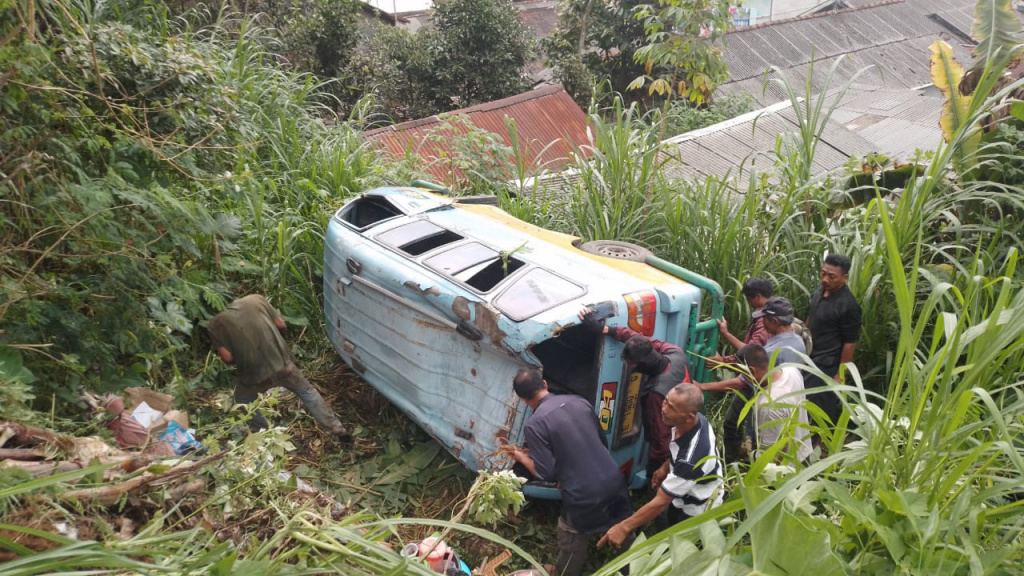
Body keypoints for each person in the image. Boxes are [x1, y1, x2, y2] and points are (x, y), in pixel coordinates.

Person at [509, 367, 633, 576]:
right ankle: (638, 566)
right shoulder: (579, 401)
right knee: (624, 525)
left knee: (571, 535)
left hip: (583, 493)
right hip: (613, 478)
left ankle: (565, 572)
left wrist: (521, 456)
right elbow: (601, 440)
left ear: (522, 399)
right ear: (545, 384)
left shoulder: (535, 424)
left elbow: (546, 472)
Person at [597, 383, 723, 549]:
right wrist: (665, 467)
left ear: (689, 416)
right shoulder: (695, 422)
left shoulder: (691, 460)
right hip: (684, 493)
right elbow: (678, 451)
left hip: (696, 509)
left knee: (682, 549)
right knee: (667, 527)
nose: (663, 409)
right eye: (665, 401)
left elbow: (661, 502)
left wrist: (623, 527)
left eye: (671, 407)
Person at [207, 294, 350, 437]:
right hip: (283, 364)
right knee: (307, 392)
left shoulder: (215, 324)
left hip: (254, 375)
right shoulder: (256, 299)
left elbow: (228, 357)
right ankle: (336, 428)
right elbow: (281, 324)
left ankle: (267, 432)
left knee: (243, 400)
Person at [578, 307, 691, 481]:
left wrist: (656, 467)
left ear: (641, 363)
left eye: (629, 363)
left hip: (674, 439)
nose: (628, 366)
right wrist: (604, 329)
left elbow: (661, 439)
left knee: (657, 481)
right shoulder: (675, 353)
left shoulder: (657, 395)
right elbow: (641, 341)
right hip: (688, 415)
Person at [697, 296, 805, 463]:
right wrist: (726, 335)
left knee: (750, 430)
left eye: (764, 319)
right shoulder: (797, 341)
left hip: (765, 396)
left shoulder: (767, 400)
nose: (761, 322)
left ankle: (734, 463)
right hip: (788, 403)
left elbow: (741, 382)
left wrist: (703, 386)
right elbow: (754, 352)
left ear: (774, 321)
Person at [805, 254, 862, 428]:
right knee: (802, 402)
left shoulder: (849, 306)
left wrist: (840, 374)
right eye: (823, 273)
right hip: (809, 356)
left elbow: (849, 343)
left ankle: (818, 444)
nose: (825, 279)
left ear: (845, 277)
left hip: (826, 363)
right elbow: (811, 316)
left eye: (831, 276)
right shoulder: (819, 290)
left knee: (818, 405)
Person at [735, 343, 812, 463]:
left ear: (751, 371)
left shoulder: (768, 405)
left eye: (743, 374)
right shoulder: (790, 370)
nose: (744, 379)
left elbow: (775, 455)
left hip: (788, 468)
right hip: (804, 452)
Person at [706, 276, 773, 368]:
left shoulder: (764, 321)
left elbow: (752, 354)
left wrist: (723, 361)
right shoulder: (773, 310)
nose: (749, 304)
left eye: (749, 300)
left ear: (758, 296)